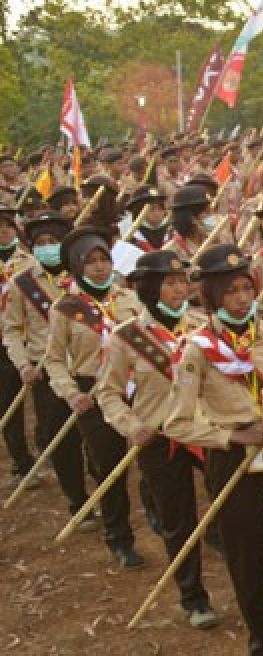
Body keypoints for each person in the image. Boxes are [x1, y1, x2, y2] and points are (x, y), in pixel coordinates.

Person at [162, 244, 263, 656]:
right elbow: (177, 421)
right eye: (230, 292)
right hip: (231, 463)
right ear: (211, 298)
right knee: (248, 555)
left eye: (247, 288)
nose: (242, 299)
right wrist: (229, 436)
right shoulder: (196, 349)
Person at [95, 250, 216, 624]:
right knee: (178, 519)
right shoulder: (127, 337)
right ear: (149, 287)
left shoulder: (203, 326)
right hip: (159, 439)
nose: (179, 289)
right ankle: (193, 597)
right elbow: (108, 392)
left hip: (208, 432)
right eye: (169, 282)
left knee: (230, 507)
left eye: (182, 281)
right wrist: (131, 427)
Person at [44, 226, 143, 566]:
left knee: (153, 458)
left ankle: (160, 514)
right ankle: (119, 537)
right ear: (77, 266)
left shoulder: (129, 299)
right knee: (110, 465)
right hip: (93, 392)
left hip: (137, 388)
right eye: (91, 262)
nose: (100, 267)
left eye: (104, 259)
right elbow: (55, 359)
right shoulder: (65, 309)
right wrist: (71, 394)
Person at [2, 210, 89, 512]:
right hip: (46, 372)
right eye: (40, 242)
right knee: (62, 444)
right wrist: (23, 364)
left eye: (53, 240)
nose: (47, 246)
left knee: (98, 440)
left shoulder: (85, 276)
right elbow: (10, 329)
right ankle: (79, 501)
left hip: (88, 368)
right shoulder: (21, 282)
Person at [0, 206, 36, 484]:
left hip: (30, 339)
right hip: (2, 342)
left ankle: (46, 447)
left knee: (47, 403)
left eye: (7, 225)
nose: (3, 230)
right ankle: (22, 461)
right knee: (8, 404)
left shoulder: (31, 262)